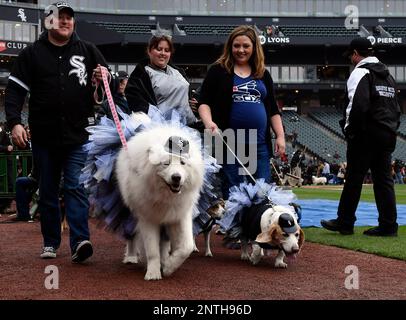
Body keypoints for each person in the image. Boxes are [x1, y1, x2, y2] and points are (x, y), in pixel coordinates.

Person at [5, 2, 111, 260]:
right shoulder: (31, 53)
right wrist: (15, 122)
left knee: (75, 185)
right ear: (48, 22)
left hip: (79, 134)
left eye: (68, 18)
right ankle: (51, 241)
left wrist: (107, 76)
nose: (64, 22)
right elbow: (15, 91)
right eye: (59, 17)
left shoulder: (88, 50)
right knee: (49, 189)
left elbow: (111, 85)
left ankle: (80, 241)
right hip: (44, 135)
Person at [321, 38, 401, 237]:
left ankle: (345, 222)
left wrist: (350, 130)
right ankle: (389, 225)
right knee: (384, 181)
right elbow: (396, 109)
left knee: (354, 179)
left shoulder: (360, 72)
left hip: (365, 134)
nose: (350, 59)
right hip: (387, 133)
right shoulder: (388, 76)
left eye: (350, 55)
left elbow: (357, 105)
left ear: (356, 53)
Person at [197, 25, 285, 198]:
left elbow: (273, 110)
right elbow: (204, 102)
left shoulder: (263, 74)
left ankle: (257, 225)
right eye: (236, 45)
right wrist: (208, 122)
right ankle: (234, 226)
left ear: (254, 48)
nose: (241, 50)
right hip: (228, 141)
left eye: (246, 46)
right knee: (233, 192)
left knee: (261, 193)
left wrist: (280, 136)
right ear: (230, 47)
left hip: (258, 143)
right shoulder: (218, 70)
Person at [125, 34, 196, 125]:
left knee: (211, 136)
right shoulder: (141, 75)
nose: (163, 53)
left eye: (167, 50)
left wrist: (194, 105)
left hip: (188, 124)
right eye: (159, 49)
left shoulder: (179, 72)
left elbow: (187, 96)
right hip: (159, 128)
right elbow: (135, 101)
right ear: (149, 51)